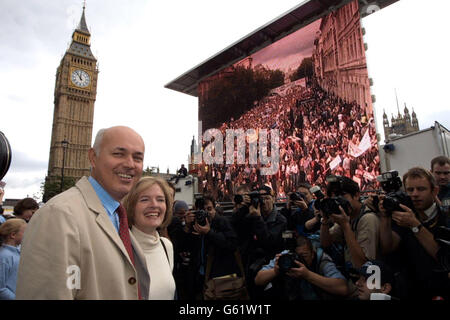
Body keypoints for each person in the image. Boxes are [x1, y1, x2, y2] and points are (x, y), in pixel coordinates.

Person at [16, 126, 150, 299]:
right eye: (119, 154)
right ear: (93, 158)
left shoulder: (117, 215)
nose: (130, 164)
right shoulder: (58, 215)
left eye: (137, 157)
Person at [379, 167, 450, 299]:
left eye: (421, 189)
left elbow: (444, 256)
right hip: (412, 290)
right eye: (410, 190)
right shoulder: (405, 216)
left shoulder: (445, 217)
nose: (415, 194)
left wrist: (415, 225)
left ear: (434, 191)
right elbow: (388, 247)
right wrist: (385, 218)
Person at [319, 176, 380, 297]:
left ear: (356, 195)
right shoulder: (348, 217)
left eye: (342, 195)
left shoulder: (367, 218)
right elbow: (326, 243)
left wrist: (346, 226)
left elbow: (364, 266)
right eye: (334, 196)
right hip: (355, 284)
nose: (338, 200)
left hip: (370, 288)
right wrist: (325, 219)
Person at [123, 176, 176, 300]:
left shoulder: (166, 246)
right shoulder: (119, 249)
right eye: (145, 199)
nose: (154, 205)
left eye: (160, 199)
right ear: (131, 206)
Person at [254, 235, 348, 300]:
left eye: (304, 256)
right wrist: (275, 271)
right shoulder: (286, 258)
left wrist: (308, 275)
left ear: (312, 254)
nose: (299, 261)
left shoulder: (321, 259)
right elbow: (258, 280)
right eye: (296, 256)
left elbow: (342, 288)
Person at [0, 219, 27, 299]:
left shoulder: (17, 252)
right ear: (13, 235)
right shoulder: (4, 257)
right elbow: (1, 289)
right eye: (25, 232)